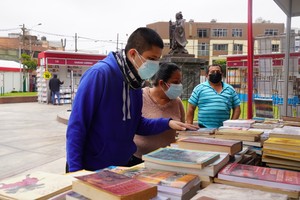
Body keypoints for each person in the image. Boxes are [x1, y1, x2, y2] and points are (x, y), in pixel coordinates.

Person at [66, 27, 198, 172]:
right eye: (152, 59)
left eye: (157, 60)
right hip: (93, 168)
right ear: (133, 54)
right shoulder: (100, 75)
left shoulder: (134, 82)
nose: (155, 66)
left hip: (121, 166)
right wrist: (75, 172)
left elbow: (137, 124)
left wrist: (168, 123)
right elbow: (77, 126)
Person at [126, 62, 185, 166]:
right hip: (138, 159)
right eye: (176, 82)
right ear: (162, 83)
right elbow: (136, 125)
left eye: (180, 82)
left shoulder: (177, 102)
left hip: (167, 160)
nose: (179, 86)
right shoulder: (140, 97)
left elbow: (181, 130)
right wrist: (168, 123)